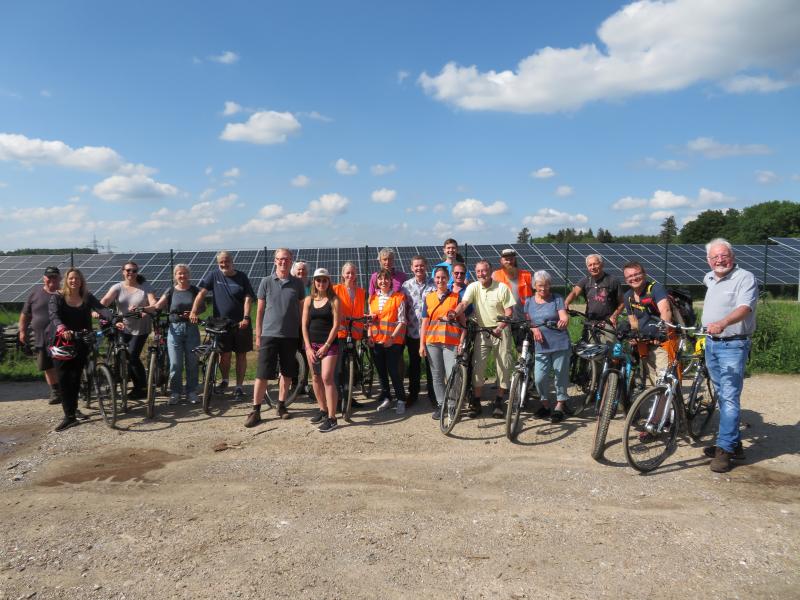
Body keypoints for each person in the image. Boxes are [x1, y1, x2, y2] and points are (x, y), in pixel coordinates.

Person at [700, 238, 758, 473]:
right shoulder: (709, 278)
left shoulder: (745, 278)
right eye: (714, 257)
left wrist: (723, 323)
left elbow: (745, 308)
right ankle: (733, 443)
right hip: (711, 344)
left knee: (729, 397)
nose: (719, 260)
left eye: (723, 255)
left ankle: (724, 450)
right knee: (722, 395)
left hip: (733, 344)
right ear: (708, 260)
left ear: (732, 256)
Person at [246, 248, 306, 427]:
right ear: (275, 261)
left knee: (287, 373)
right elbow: (260, 311)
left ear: (291, 261)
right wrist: (258, 335)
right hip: (269, 335)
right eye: (279, 259)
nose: (283, 262)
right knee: (262, 374)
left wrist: (302, 333)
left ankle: (281, 406)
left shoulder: (298, 284)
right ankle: (255, 410)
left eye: (286, 259)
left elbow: (302, 310)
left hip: (290, 335)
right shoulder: (266, 282)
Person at [449, 260, 515, 419]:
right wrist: (454, 312)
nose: (481, 274)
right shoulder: (473, 287)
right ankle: (476, 401)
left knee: (504, 366)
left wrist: (500, 327)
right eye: (478, 271)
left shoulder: (502, 288)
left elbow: (509, 311)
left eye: (484, 271)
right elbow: (464, 304)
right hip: (482, 330)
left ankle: (499, 401)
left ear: (490, 271)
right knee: (478, 366)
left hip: (501, 330)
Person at [48, 268, 111, 431]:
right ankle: (69, 416)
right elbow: (54, 316)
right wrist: (62, 329)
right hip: (63, 342)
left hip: (82, 341)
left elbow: (101, 308)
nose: (74, 281)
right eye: (71, 278)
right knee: (64, 379)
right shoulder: (58, 297)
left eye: (77, 278)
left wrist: (113, 318)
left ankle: (72, 412)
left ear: (81, 281)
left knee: (75, 379)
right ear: (66, 280)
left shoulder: (87, 296)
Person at [190, 251, 255, 402]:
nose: (224, 265)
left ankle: (239, 386)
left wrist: (246, 317)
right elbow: (201, 294)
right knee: (223, 355)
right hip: (221, 324)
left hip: (240, 324)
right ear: (218, 263)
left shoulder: (242, 277)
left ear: (232, 261)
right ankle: (225, 380)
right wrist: (194, 311)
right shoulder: (214, 275)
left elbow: (248, 297)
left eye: (227, 262)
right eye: (221, 263)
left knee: (241, 355)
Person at [100, 261, 157, 399]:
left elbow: (154, 304)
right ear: (123, 272)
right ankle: (122, 377)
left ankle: (141, 387)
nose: (131, 273)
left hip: (140, 328)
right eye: (128, 270)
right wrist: (99, 310)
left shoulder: (145, 287)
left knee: (132, 356)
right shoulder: (117, 287)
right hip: (122, 326)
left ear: (137, 272)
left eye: (134, 270)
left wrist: (144, 309)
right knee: (121, 355)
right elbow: (105, 301)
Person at [525, 271, 571, 423]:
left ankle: (559, 405)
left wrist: (563, 320)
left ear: (550, 285)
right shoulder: (529, 302)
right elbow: (528, 321)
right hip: (541, 346)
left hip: (559, 343)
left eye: (546, 285)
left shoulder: (557, 298)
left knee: (560, 376)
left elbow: (563, 315)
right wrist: (534, 328)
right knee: (539, 378)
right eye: (540, 286)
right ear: (534, 286)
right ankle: (545, 404)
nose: (543, 289)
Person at [154, 264, 203, 405]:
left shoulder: (195, 290)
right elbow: (158, 306)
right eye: (179, 273)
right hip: (174, 329)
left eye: (185, 273)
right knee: (175, 363)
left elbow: (202, 307)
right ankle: (175, 392)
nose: (182, 276)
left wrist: (194, 312)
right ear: (175, 276)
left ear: (189, 275)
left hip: (192, 328)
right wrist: (144, 309)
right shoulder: (170, 291)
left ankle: (191, 391)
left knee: (192, 362)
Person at [420, 266, 464, 420]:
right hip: (432, 342)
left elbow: (463, 322)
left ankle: (452, 405)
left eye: (443, 277)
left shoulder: (456, 297)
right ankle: (441, 405)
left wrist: (462, 342)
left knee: (452, 375)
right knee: (437, 376)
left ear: (448, 279)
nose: (440, 280)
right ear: (434, 279)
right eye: (437, 278)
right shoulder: (429, 298)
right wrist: (421, 344)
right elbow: (424, 323)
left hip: (451, 342)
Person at [302, 268, 341, 432]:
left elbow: (336, 325)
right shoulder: (309, 300)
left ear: (328, 282)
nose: (321, 283)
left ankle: (332, 418)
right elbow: (304, 325)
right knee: (316, 377)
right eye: (318, 280)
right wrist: (308, 347)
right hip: (312, 345)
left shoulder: (334, 300)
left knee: (327, 378)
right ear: (314, 282)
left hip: (329, 344)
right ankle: (323, 410)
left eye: (324, 280)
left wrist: (326, 345)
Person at [622, 261, 673, 386]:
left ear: (644, 274)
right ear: (626, 279)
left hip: (661, 343)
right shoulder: (628, 296)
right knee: (652, 381)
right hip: (644, 344)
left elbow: (665, 311)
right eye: (629, 276)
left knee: (663, 380)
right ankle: (656, 404)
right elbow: (633, 320)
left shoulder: (656, 288)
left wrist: (661, 333)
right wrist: (634, 335)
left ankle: (666, 403)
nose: (633, 278)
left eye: (637, 274)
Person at [19, 266, 62, 405]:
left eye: (55, 277)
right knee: (47, 366)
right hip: (41, 337)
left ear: (60, 278)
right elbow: (25, 314)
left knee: (63, 365)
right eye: (49, 277)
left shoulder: (64, 294)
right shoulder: (34, 294)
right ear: (44, 278)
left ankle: (67, 389)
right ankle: (55, 391)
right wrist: (22, 331)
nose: (52, 279)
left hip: (61, 337)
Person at [369, 268, 407, 414]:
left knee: (393, 371)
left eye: (386, 279)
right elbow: (370, 320)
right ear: (376, 281)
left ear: (391, 281)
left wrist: (391, 339)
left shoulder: (398, 297)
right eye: (380, 279)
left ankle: (401, 399)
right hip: (376, 341)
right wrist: (369, 336)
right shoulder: (373, 298)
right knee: (381, 372)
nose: (383, 281)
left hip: (393, 341)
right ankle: (387, 397)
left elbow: (402, 321)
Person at [401, 255, 436, 407]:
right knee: (414, 364)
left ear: (426, 266)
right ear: (411, 268)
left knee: (432, 365)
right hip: (413, 332)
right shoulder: (405, 286)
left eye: (421, 265)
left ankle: (433, 394)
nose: (419, 268)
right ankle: (413, 393)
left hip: (432, 332)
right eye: (416, 266)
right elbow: (402, 308)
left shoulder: (435, 284)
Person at [333, 262, 367, 410]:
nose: (350, 276)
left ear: (356, 275)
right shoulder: (335, 289)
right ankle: (338, 397)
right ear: (342, 275)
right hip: (340, 331)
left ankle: (348, 398)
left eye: (353, 273)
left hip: (355, 331)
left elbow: (363, 309)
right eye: (347, 273)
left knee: (352, 367)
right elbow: (330, 307)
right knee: (340, 367)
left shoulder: (361, 291)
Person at [564, 253, 624, 338]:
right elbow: (574, 292)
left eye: (595, 264)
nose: (592, 267)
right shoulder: (585, 280)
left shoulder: (613, 280)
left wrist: (614, 316)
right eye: (590, 265)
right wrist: (566, 302)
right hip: (590, 323)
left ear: (602, 264)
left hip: (608, 323)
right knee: (589, 348)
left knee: (606, 349)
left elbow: (622, 302)